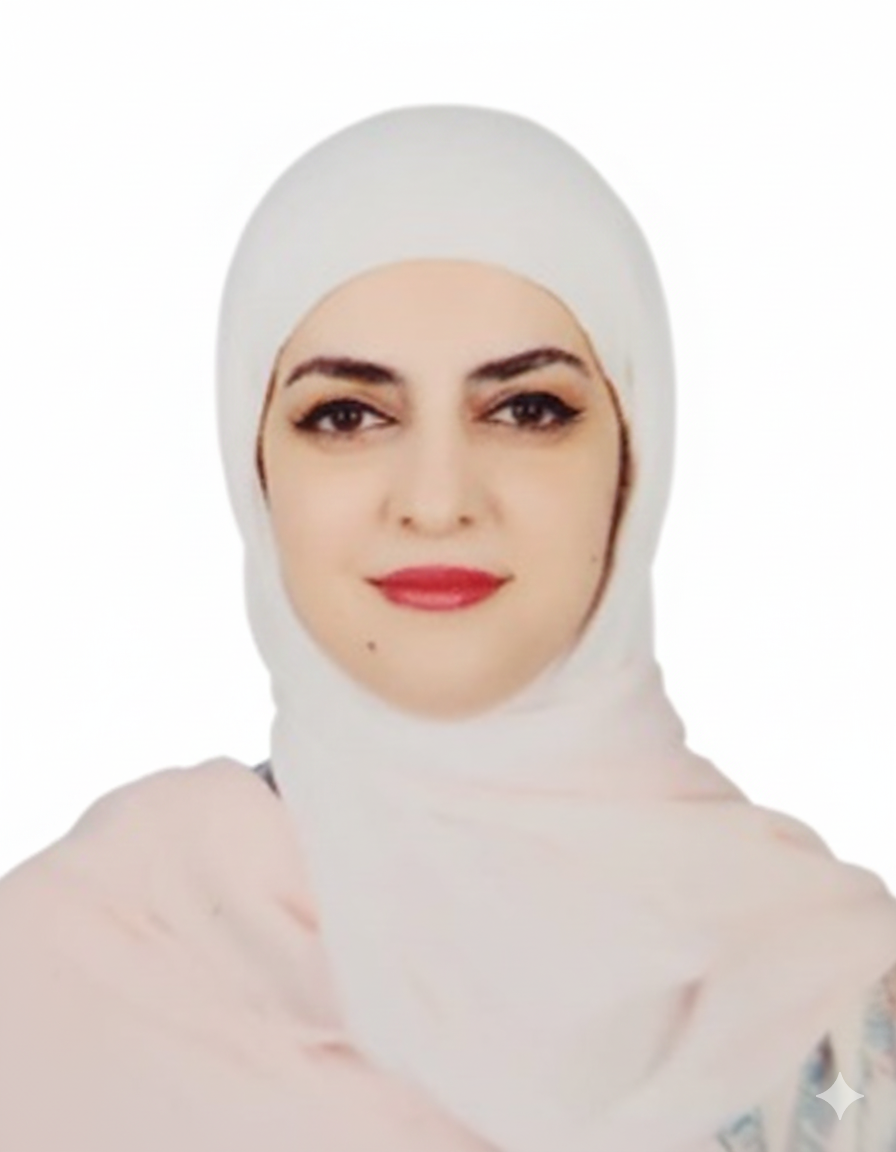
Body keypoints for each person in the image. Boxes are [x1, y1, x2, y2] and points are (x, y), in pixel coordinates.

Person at [1, 105, 895, 1152]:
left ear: (632, 457)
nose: (436, 500)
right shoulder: (82, 965)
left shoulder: (832, 999)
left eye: (527, 410)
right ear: (255, 470)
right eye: (346, 415)